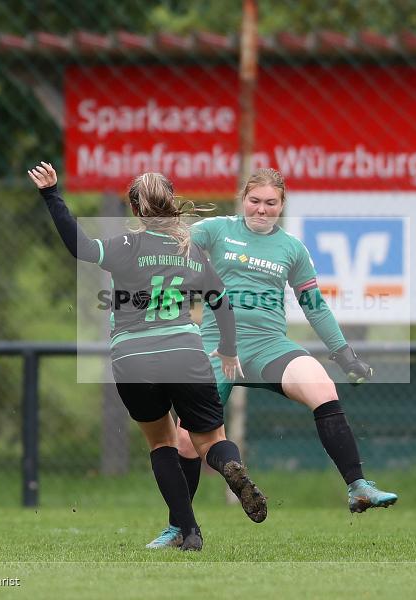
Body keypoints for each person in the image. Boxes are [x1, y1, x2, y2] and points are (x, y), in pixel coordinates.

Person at [146, 167, 397, 548]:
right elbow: (172, 243)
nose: (261, 209)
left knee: (322, 387)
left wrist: (344, 354)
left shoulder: (291, 248)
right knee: (185, 440)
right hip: (217, 347)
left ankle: (357, 487)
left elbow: (314, 305)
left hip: (269, 346)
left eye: (270, 203)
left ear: (282, 206)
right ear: (242, 199)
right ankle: (180, 528)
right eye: (254, 201)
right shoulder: (218, 230)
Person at [28, 162, 267, 551]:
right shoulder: (191, 250)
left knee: (162, 444)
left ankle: (189, 532)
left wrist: (51, 194)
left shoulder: (127, 245)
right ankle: (228, 466)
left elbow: (81, 247)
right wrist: (228, 349)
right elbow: (222, 303)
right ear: (171, 204)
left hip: (133, 358)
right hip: (184, 353)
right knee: (211, 440)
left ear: (136, 209)